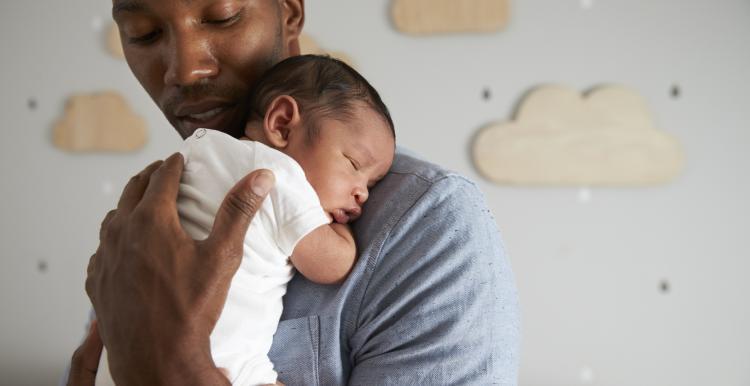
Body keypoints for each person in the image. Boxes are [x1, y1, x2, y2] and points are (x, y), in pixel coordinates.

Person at [68, 1, 520, 385]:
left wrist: (179, 370)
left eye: (222, 16)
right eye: (143, 34)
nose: (186, 69)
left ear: (288, 12)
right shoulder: (148, 213)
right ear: (279, 124)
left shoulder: (428, 224)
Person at [96, 54, 396, 385]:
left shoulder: (200, 152)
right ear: (282, 124)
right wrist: (340, 227)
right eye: (354, 164)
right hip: (222, 358)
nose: (363, 194)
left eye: (371, 185)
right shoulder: (280, 175)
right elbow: (332, 265)